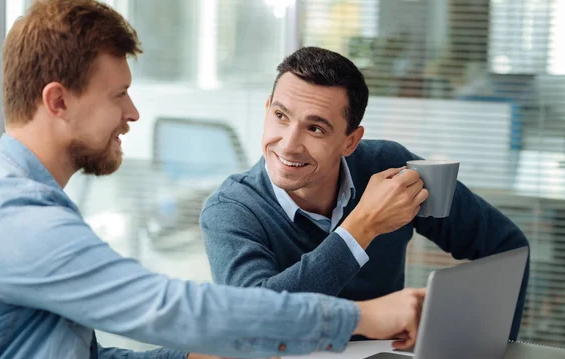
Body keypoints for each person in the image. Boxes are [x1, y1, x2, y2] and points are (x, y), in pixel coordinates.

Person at [0, 2, 427, 359]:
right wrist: (363, 316)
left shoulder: (20, 204)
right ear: (58, 101)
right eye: (119, 94)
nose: (133, 113)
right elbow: (174, 308)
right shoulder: (14, 221)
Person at [200, 46, 530, 341]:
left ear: (350, 141)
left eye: (315, 128)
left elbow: (506, 248)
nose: (288, 143)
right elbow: (255, 319)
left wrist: (493, 353)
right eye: (281, 116)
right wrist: (363, 226)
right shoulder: (231, 209)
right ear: (267, 108)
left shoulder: (388, 167)